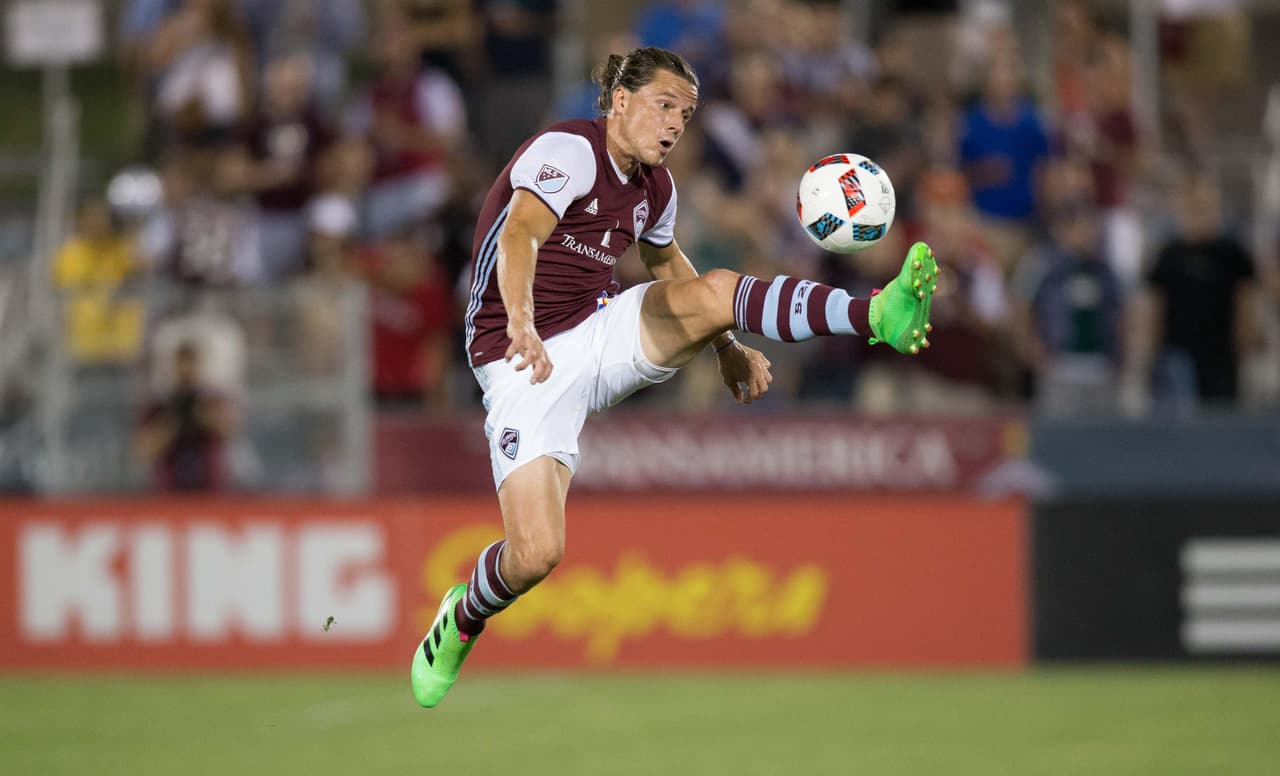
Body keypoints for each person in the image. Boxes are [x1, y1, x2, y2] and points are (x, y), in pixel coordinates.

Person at [410, 47, 941, 707]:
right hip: (518, 358)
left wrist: (726, 350)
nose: (673, 126)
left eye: (685, 116)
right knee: (537, 554)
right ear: (622, 101)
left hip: (596, 331)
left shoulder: (656, 188)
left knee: (714, 288)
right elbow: (521, 234)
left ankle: (876, 314)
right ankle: (462, 619)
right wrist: (520, 321)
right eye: (664, 106)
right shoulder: (570, 149)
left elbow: (667, 265)